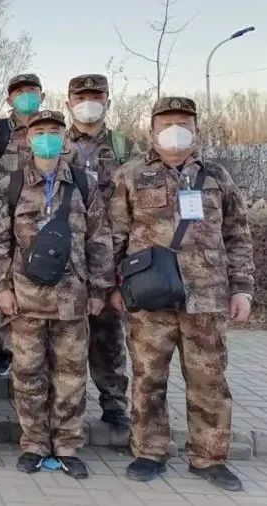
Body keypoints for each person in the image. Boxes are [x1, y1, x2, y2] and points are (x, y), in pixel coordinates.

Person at [110, 97, 254, 491]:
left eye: (183, 123)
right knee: (147, 379)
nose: (175, 131)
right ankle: (149, 452)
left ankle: (209, 457)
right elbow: (114, 236)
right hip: (149, 298)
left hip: (205, 298)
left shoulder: (217, 176)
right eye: (166, 124)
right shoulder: (131, 175)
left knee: (209, 381)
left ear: (196, 129)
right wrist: (113, 287)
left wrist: (242, 290)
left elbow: (237, 235)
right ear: (152, 132)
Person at [0, 110, 113, 479]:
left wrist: (99, 289)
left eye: (53, 131)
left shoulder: (83, 183)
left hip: (72, 299)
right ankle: (33, 444)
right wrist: (2, 287)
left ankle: (67, 446)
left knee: (70, 376)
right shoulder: (12, 184)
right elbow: (0, 240)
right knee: (28, 375)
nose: (46, 137)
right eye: (39, 131)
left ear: (64, 138)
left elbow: (99, 238)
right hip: (26, 299)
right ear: (28, 138)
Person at [63, 74, 140, 431]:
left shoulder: (125, 148)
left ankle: (114, 403)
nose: (88, 104)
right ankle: (67, 407)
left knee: (108, 334)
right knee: (66, 336)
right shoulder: (57, 145)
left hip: (111, 253)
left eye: (95, 97)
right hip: (67, 253)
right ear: (68, 104)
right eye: (81, 98)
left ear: (107, 101)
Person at [0, 73, 45, 378]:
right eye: (19, 92)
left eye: (32, 91)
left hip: (44, 220)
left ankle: (38, 350)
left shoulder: (52, 131)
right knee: (2, 280)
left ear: (41, 96)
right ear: (9, 99)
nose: (26, 96)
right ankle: (4, 350)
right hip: (4, 218)